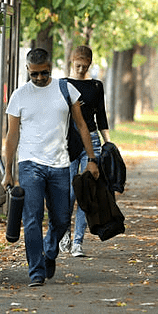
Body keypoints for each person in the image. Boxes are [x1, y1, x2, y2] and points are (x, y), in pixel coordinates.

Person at [2, 48, 99, 287]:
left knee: (62, 219)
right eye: (34, 74)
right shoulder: (19, 96)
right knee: (32, 218)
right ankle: (36, 272)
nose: (39, 78)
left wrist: (92, 159)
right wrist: (8, 170)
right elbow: (12, 136)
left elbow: (82, 126)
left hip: (59, 165)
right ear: (27, 70)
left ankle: (50, 251)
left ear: (50, 68)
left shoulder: (66, 90)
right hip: (30, 164)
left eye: (44, 73)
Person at [59, 45, 111, 258]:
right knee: (69, 192)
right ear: (72, 62)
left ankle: (78, 242)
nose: (81, 69)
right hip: (68, 141)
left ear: (90, 64)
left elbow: (102, 117)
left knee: (85, 192)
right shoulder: (62, 85)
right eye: (78, 65)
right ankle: (64, 234)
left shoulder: (96, 86)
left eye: (85, 66)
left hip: (91, 140)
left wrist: (109, 143)